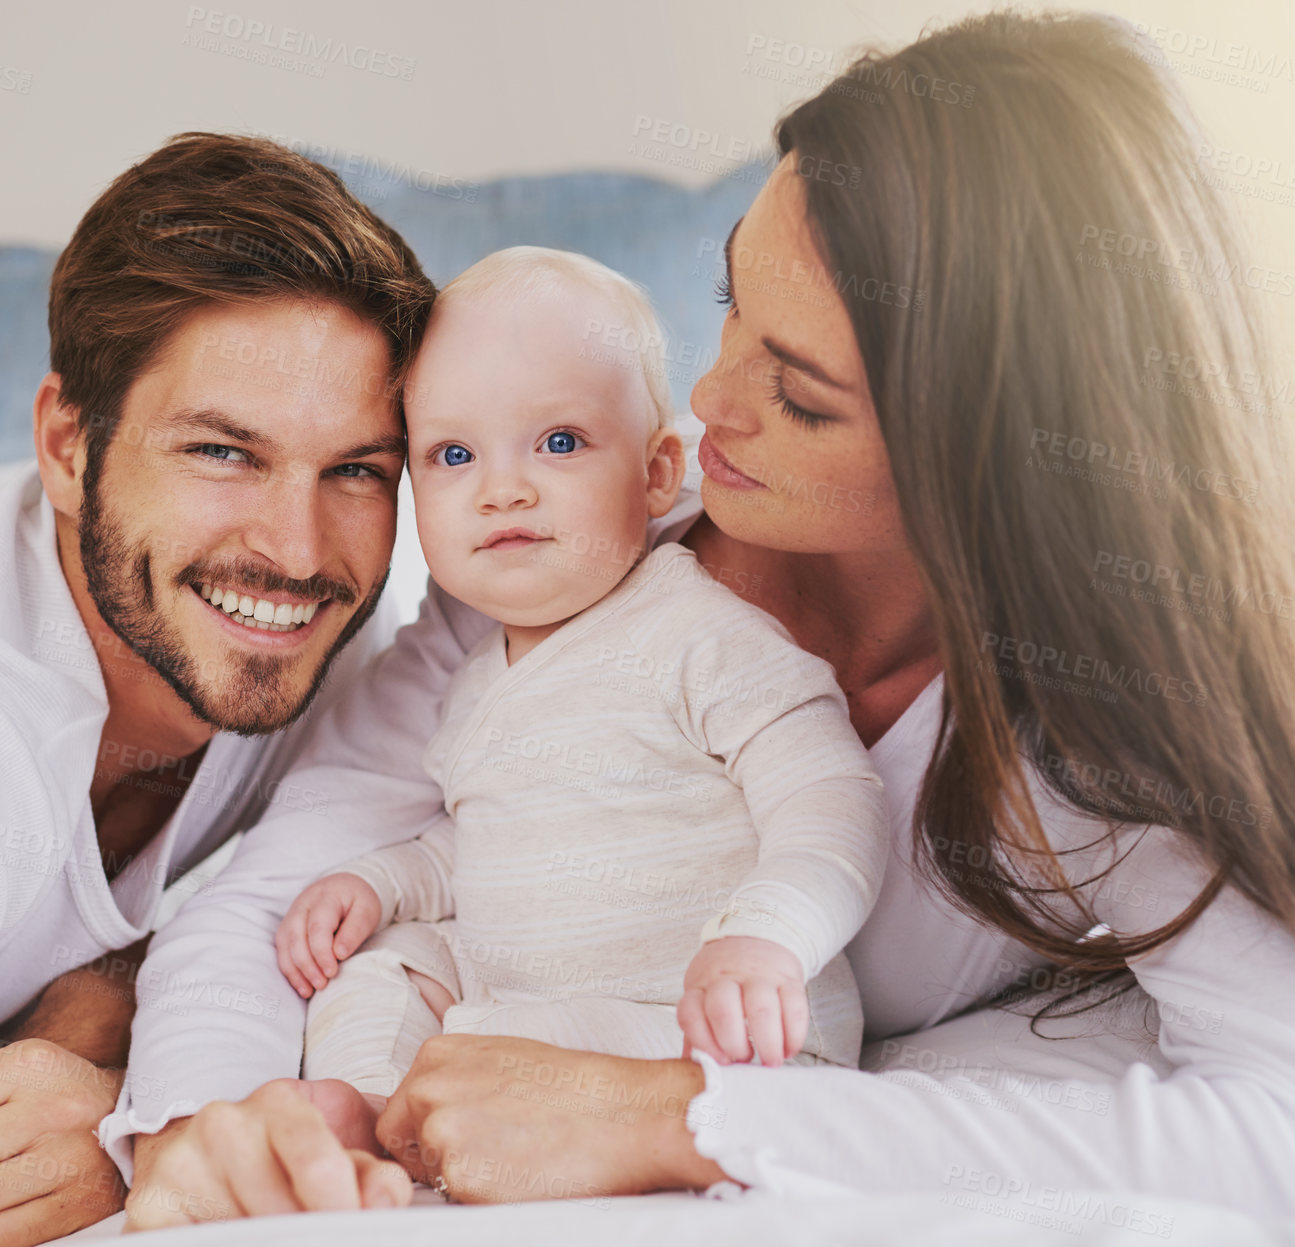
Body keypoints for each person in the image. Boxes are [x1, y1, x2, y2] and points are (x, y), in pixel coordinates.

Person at [114, 11, 1295, 1234]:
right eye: (729, 302)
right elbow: (269, 896)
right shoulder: (545, 580)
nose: (706, 402)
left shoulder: (1097, 711)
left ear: (989, 457)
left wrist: (694, 1116)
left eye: (804, 396)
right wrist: (195, 1131)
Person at [0, 132, 434, 1247]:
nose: (295, 548)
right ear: (67, 447)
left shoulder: (371, 622)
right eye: (222, 452)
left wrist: (114, 1037)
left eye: (357, 468)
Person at [275, 247, 888, 1154]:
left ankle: (416, 1113)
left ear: (653, 474)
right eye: (452, 454)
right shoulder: (477, 681)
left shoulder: (700, 633)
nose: (503, 487)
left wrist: (769, 938)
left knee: (479, 1049)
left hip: (700, 1029)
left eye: (559, 442)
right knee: (380, 968)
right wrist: (380, 881)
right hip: (524, 997)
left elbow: (834, 800)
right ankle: (361, 1116)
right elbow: (482, 839)